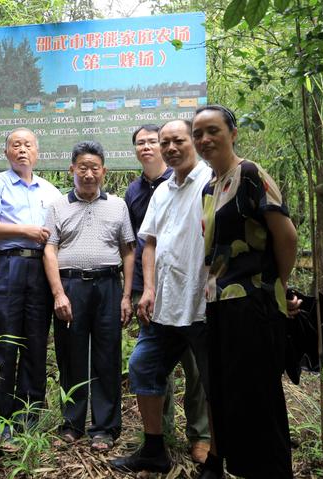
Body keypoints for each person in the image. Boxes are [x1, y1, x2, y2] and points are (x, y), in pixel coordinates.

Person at [192, 104, 299, 479]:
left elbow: (286, 236)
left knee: (258, 396)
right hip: (218, 304)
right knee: (224, 392)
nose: (204, 139)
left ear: (233, 133)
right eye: (198, 133)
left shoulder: (250, 174)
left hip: (253, 303)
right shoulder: (209, 188)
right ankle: (229, 465)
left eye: (213, 131)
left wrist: (277, 287)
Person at [108, 120, 213, 474]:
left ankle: (211, 448)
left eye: (176, 140)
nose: (169, 147)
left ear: (194, 142)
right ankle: (155, 447)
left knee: (207, 376)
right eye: (163, 141)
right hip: (164, 302)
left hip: (203, 304)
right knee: (143, 365)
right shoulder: (163, 191)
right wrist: (148, 288)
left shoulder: (212, 181)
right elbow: (147, 241)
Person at [43, 140, 135, 451]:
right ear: (72, 169)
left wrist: (126, 296)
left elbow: (128, 251)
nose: (88, 173)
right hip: (71, 288)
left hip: (108, 286)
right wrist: (58, 294)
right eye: (82, 167)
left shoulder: (118, 205)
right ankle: (72, 423)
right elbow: (50, 249)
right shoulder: (57, 206)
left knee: (108, 356)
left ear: (104, 171)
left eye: (94, 167)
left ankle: (105, 428)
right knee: (72, 355)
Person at [0, 127, 61, 448]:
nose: (22, 150)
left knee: (36, 339)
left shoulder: (50, 192)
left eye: (27, 145)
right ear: (7, 153)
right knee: (2, 340)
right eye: (15, 145)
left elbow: (56, 235)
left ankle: (30, 412)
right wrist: (24, 230)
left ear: (37, 151)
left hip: (39, 269)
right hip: (5, 266)